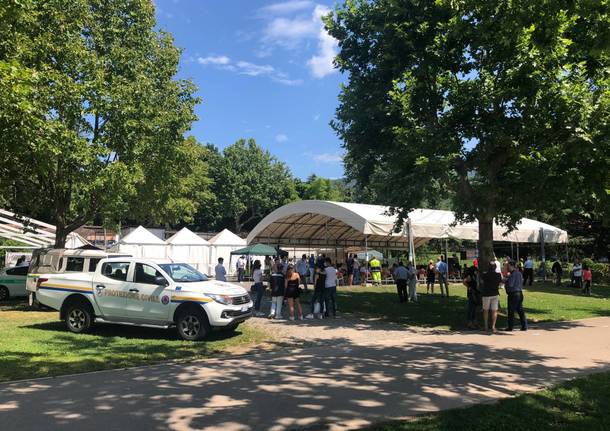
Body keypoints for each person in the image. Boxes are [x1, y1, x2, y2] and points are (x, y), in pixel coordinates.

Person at [503, 261, 528, 331]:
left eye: (508, 266)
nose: (507, 268)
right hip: (520, 293)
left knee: (511, 311)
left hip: (513, 294)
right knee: (520, 310)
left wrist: (505, 281)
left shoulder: (513, 274)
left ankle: (510, 326)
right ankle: (524, 325)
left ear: (511, 266)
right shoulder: (519, 273)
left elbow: (510, 284)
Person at [481, 262, 501, 333]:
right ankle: (493, 327)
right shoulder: (498, 275)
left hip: (486, 294)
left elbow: (482, 282)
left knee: (485, 310)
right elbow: (499, 282)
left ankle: (486, 326)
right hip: (495, 293)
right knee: (494, 310)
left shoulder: (485, 274)